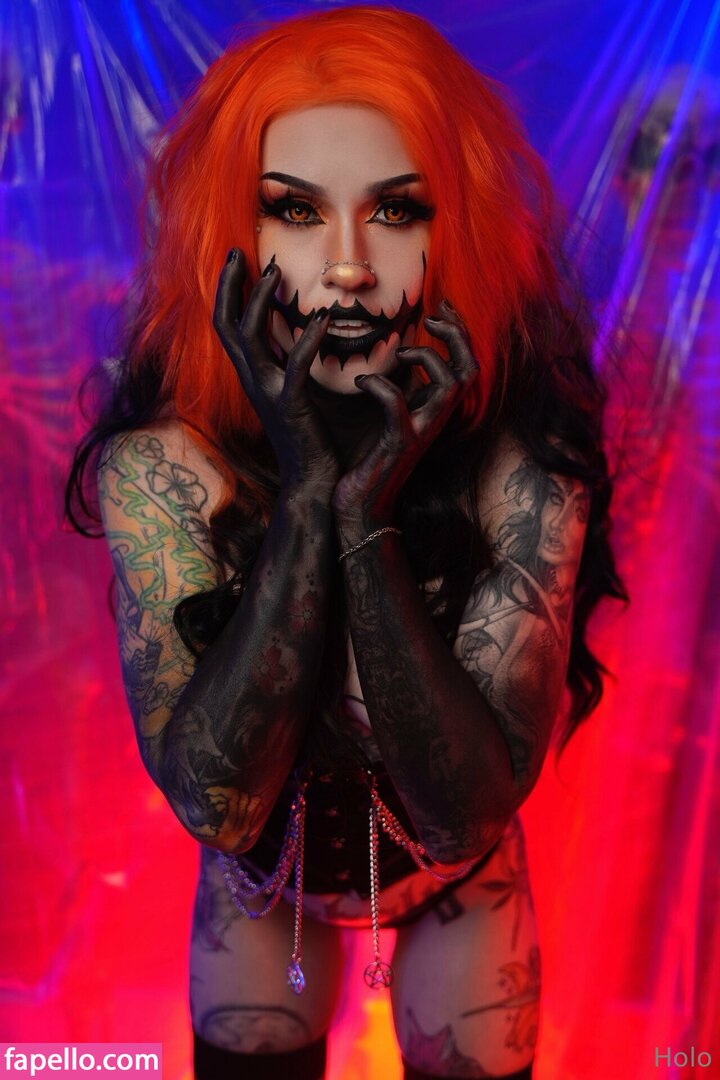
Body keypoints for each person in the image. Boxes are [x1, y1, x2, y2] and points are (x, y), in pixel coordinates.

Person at [66, 7, 625, 1079]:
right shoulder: (166, 469)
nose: (351, 268)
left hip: (458, 890)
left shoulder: (526, 469)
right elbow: (215, 803)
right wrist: (308, 493)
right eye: (296, 210)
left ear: (455, 228)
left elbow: (462, 819)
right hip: (262, 889)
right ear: (231, 234)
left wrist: (366, 519)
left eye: (397, 211)